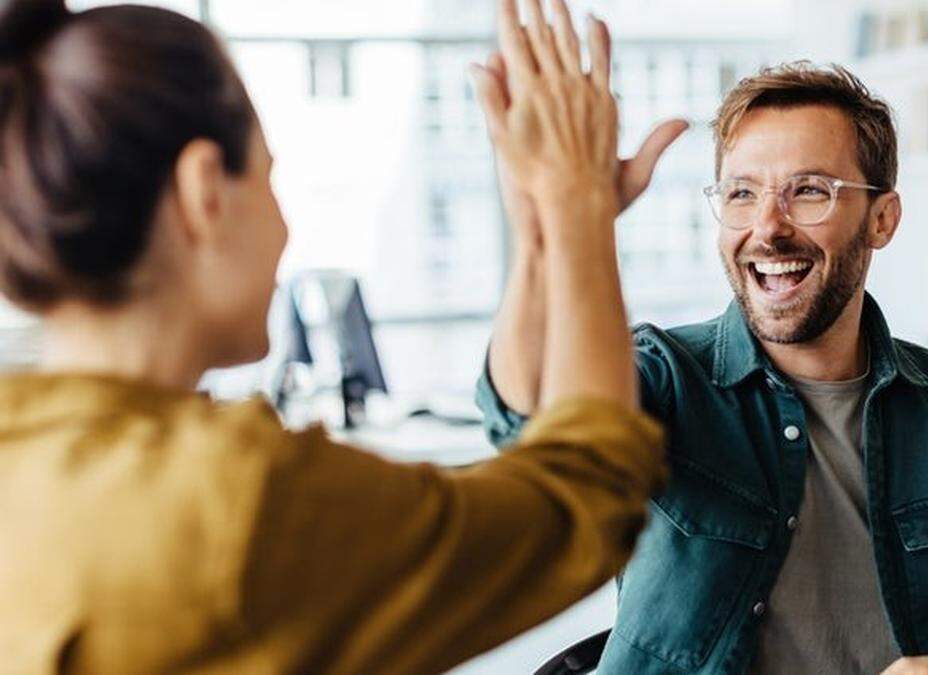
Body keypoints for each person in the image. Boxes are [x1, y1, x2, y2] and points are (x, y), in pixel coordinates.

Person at [0, 0, 667, 672]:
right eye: (268, 175)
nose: (286, 227)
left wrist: (543, 232)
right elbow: (582, 499)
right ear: (205, 191)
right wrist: (577, 203)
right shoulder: (235, 499)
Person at [478, 59, 928, 674]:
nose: (768, 228)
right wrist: (548, 230)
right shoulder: (667, 376)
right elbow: (531, 418)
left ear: (882, 218)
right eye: (742, 193)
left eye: (809, 191)